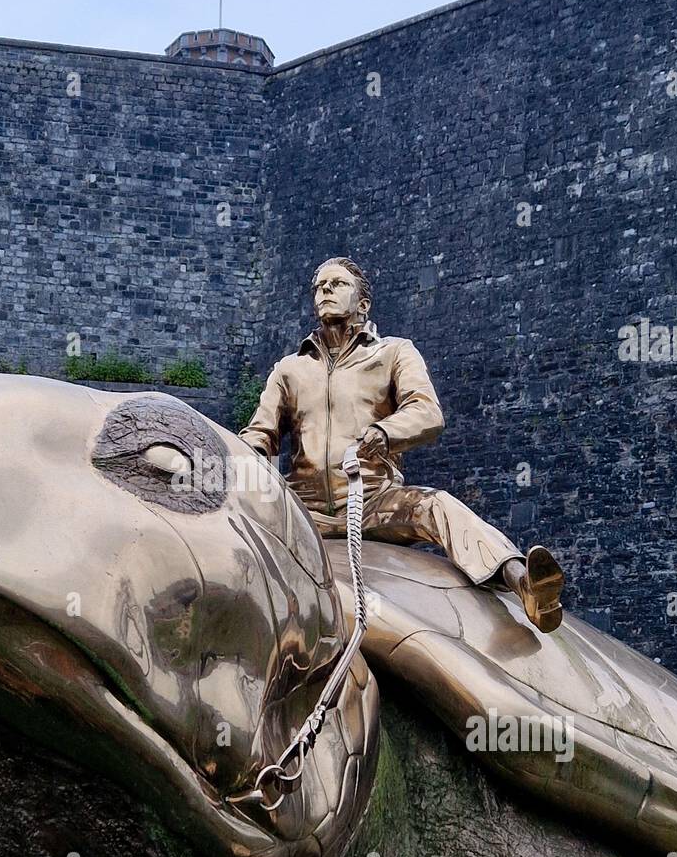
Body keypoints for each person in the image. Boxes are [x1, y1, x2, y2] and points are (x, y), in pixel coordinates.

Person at [239, 256, 564, 633]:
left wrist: (386, 431)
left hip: (374, 502)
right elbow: (259, 434)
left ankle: (524, 581)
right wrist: (246, 460)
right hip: (302, 511)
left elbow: (427, 412)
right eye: (319, 286)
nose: (324, 290)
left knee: (436, 505)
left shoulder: (393, 352)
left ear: (362, 304)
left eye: (336, 284)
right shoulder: (289, 369)